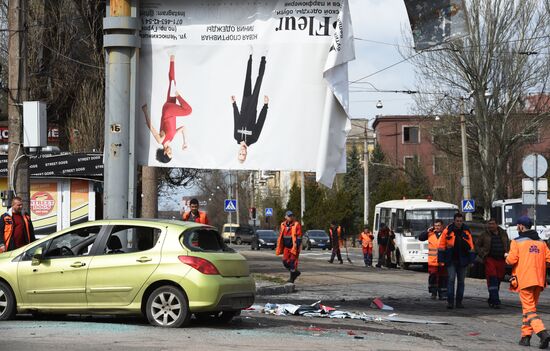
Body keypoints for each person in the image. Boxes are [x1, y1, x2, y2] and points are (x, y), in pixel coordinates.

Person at [506, 216, 550, 348]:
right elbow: (548, 260)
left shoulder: (517, 242)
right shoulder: (542, 243)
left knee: (529, 310)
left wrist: (506, 257)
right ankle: (525, 337)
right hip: (539, 280)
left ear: (520, 226)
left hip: (525, 280)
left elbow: (511, 260)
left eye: (517, 226)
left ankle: (542, 333)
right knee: (529, 310)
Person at [142, 55, 192, 163]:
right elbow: (183, 128)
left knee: (188, 111)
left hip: (168, 111)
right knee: (172, 82)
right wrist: (185, 142)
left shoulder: (161, 140)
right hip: (169, 108)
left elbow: (151, 127)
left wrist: (145, 111)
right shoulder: (171, 139)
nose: (171, 152)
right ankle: (172, 60)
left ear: (164, 152)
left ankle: (177, 94)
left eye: (169, 153)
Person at [231, 55, 269, 163]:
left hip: (244, 105)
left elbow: (236, 119)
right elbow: (260, 122)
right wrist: (265, 106)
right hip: (253, 106)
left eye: (240, 154)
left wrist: (234, 104)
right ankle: (263, 57)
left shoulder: (236, 136)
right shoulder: (254, 139)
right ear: (246, 154)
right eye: (244, 154)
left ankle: (250, 55)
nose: (242, 152)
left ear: (238, 152)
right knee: (258, 81)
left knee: (248, 79)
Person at [438, 212, 476, 309]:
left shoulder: (466, 231)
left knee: (461, 282)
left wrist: (471, 261)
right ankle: (450, 302)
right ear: (454, 221)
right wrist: (441, 260)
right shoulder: (448, 230)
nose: (459, 223)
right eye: (457, 221)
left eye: (460, 221)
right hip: (451, 260)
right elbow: (441, 245)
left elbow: (471, 246)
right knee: (451, 280)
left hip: (463, 260)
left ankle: (459, 302)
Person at [476, 218, 510, 308]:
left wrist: (507, 253)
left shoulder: (503, 233)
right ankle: (496, 300)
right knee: (492, 279)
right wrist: (482, 254)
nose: (491, 226)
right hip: (490, 259)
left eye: (492, 224)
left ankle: (492, 298)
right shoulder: (484, 235)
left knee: (499, 279)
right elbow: (477, 245)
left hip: (501, 259)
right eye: (489, 224)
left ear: (496, 224)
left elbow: (507, 243)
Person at [419, 219, 447, 300]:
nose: (437, 227)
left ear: (442, 226)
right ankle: (433, 293)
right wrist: (427, 231)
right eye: (435, 226)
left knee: (443, 277)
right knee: (433, 277)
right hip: (433, 261)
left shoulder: (445, 234)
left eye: (438, 225)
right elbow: (421, 238)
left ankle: (442, 294)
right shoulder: (430, 233)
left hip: (442, 261)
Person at [275, 211, 303, 283]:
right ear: (285, 217)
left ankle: (292, 279)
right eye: (289, 216)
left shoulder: (296, 224)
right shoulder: (283, 224)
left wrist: (297, 245)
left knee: (293, 263)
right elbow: (281, 235)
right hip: (286, 247)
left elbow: (299, 236)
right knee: (285, 262)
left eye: (291, 216)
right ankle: (295, 273)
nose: (290, 217)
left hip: (294, 247)